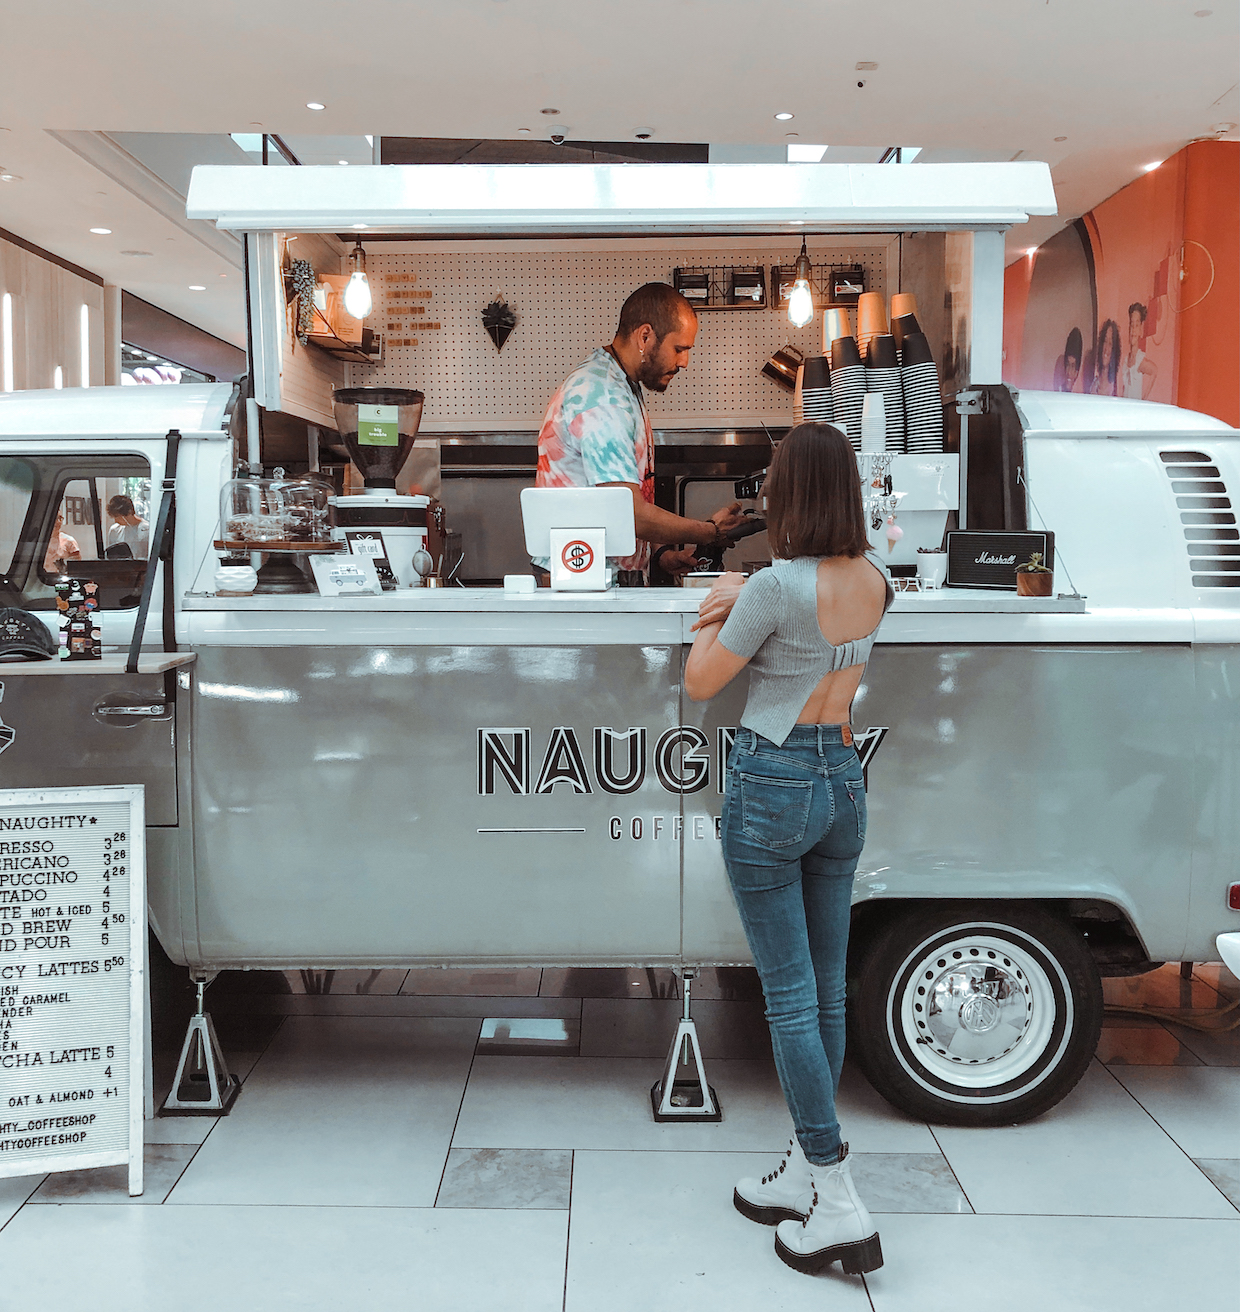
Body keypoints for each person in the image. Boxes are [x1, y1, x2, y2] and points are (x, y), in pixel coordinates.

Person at [684, 422, 892, 1278]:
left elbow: (702, 682)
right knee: (824, 994)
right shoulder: (878, 579)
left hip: (774, 784)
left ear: (790, 497)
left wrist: (717, 609)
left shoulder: (774, 585)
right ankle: (808, 1166)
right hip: (843, 778)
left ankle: (836, 1194)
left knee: (789, 1000)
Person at [534, 282, 744, 583]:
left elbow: (629, 492)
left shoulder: (619, 383)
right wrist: (710, 530)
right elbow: (628, 512)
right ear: (645, 336)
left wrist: (661, 555)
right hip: (583, 581)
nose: (684, 362)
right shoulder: (603, 398)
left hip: (600, 577)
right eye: (679, 349)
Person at [1121, 302, 1157, 400]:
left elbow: (1154, 371)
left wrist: (1143, 399)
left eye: (1136, 325)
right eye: (1132, 325)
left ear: (1140, 329)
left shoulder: (1140, 361)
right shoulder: (1125, 360)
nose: (1133, 330)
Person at [106, 495, 149, 560]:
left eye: (118, 517)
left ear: (129, 512)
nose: (116, 520)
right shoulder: (115, 530)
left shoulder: (147, 530)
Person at [1092, 318, 1122, 396]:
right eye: (1105, 341)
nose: (1106, 348)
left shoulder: (1117, 388)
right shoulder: (1093, 386)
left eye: (1110, 343)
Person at [1058, 327, 1083, 392]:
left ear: (1077, 371)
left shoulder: (1081, 393)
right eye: (1068, 365)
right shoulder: (1058, 391)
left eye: (1072, 366)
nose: (1069, 372)